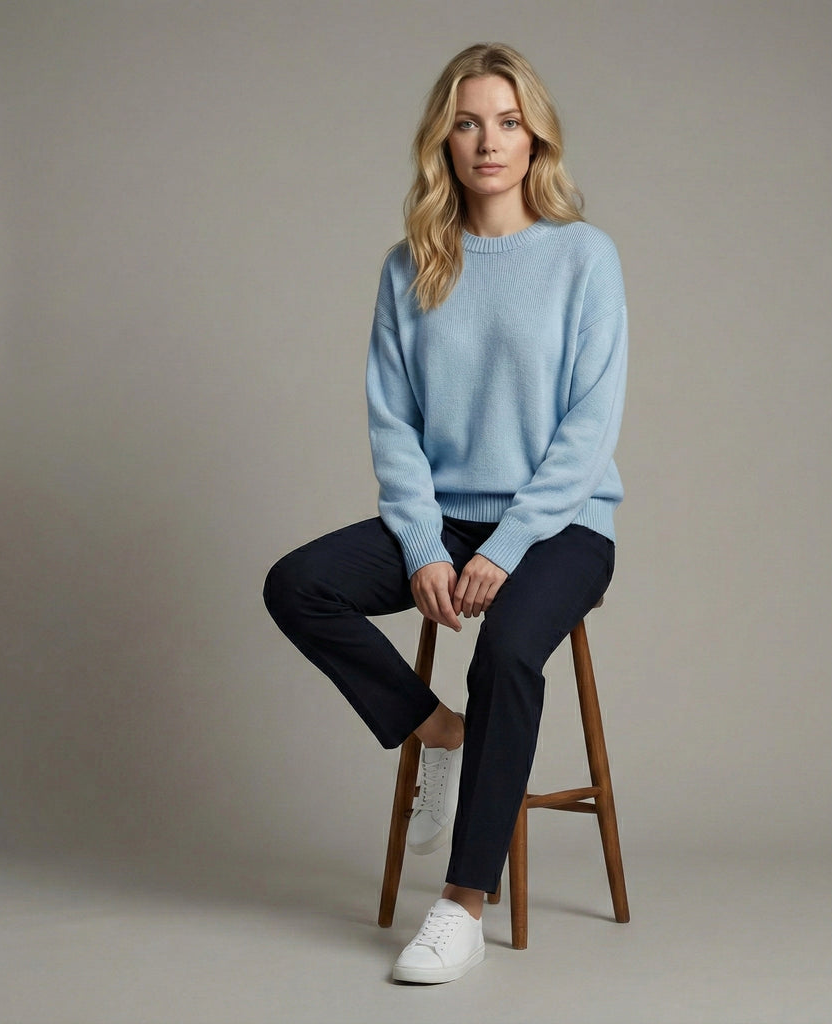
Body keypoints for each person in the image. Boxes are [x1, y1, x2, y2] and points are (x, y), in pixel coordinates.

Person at [263, 42, 627, 984]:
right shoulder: (411, 266)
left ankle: (463, 903)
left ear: (536, 135)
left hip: (564, 525)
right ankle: (438, 731)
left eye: (508, 120)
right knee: (298, 585)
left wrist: (506, 548)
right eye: (469, 122)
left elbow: (588, 430)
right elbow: (395, 424)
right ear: (445, 142)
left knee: (507, 645)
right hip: (447, 518)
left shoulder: (585, 257)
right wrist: (423, 542)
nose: (489, 140)